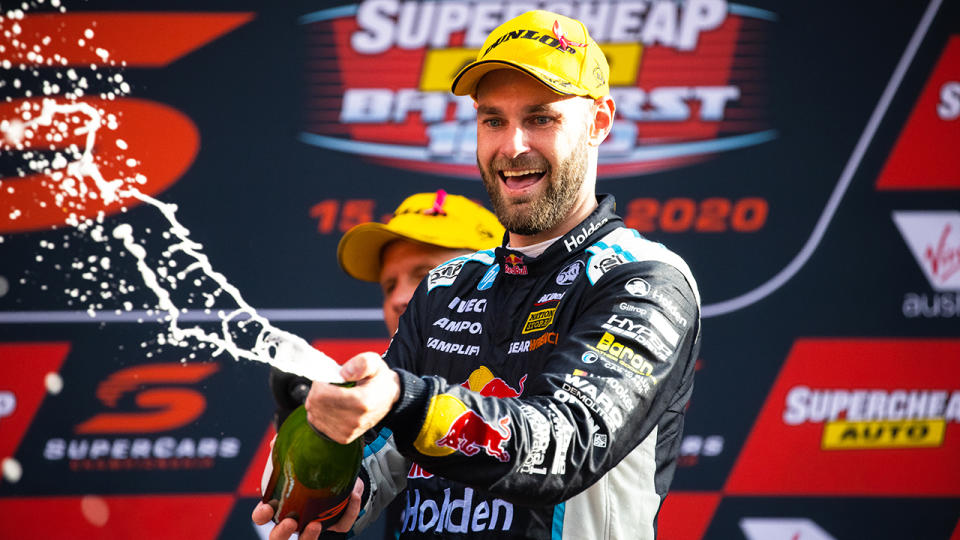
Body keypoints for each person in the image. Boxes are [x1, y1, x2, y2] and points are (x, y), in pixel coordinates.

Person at [255, 9, 701, 540]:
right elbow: (376, 464)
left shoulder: (644, 279)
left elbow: (563, 446)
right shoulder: (447, 285)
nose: (512, 146)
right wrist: (321, 443)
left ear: (599, 123)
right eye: (493, 120)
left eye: (541, 118)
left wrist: (405, 398)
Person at [267, 190, 504, 539]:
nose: (397, 299)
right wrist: (311, 438)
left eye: (426, 275)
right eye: (388, 285)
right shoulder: (378, 401)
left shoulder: (564, 367)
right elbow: (326, 519)